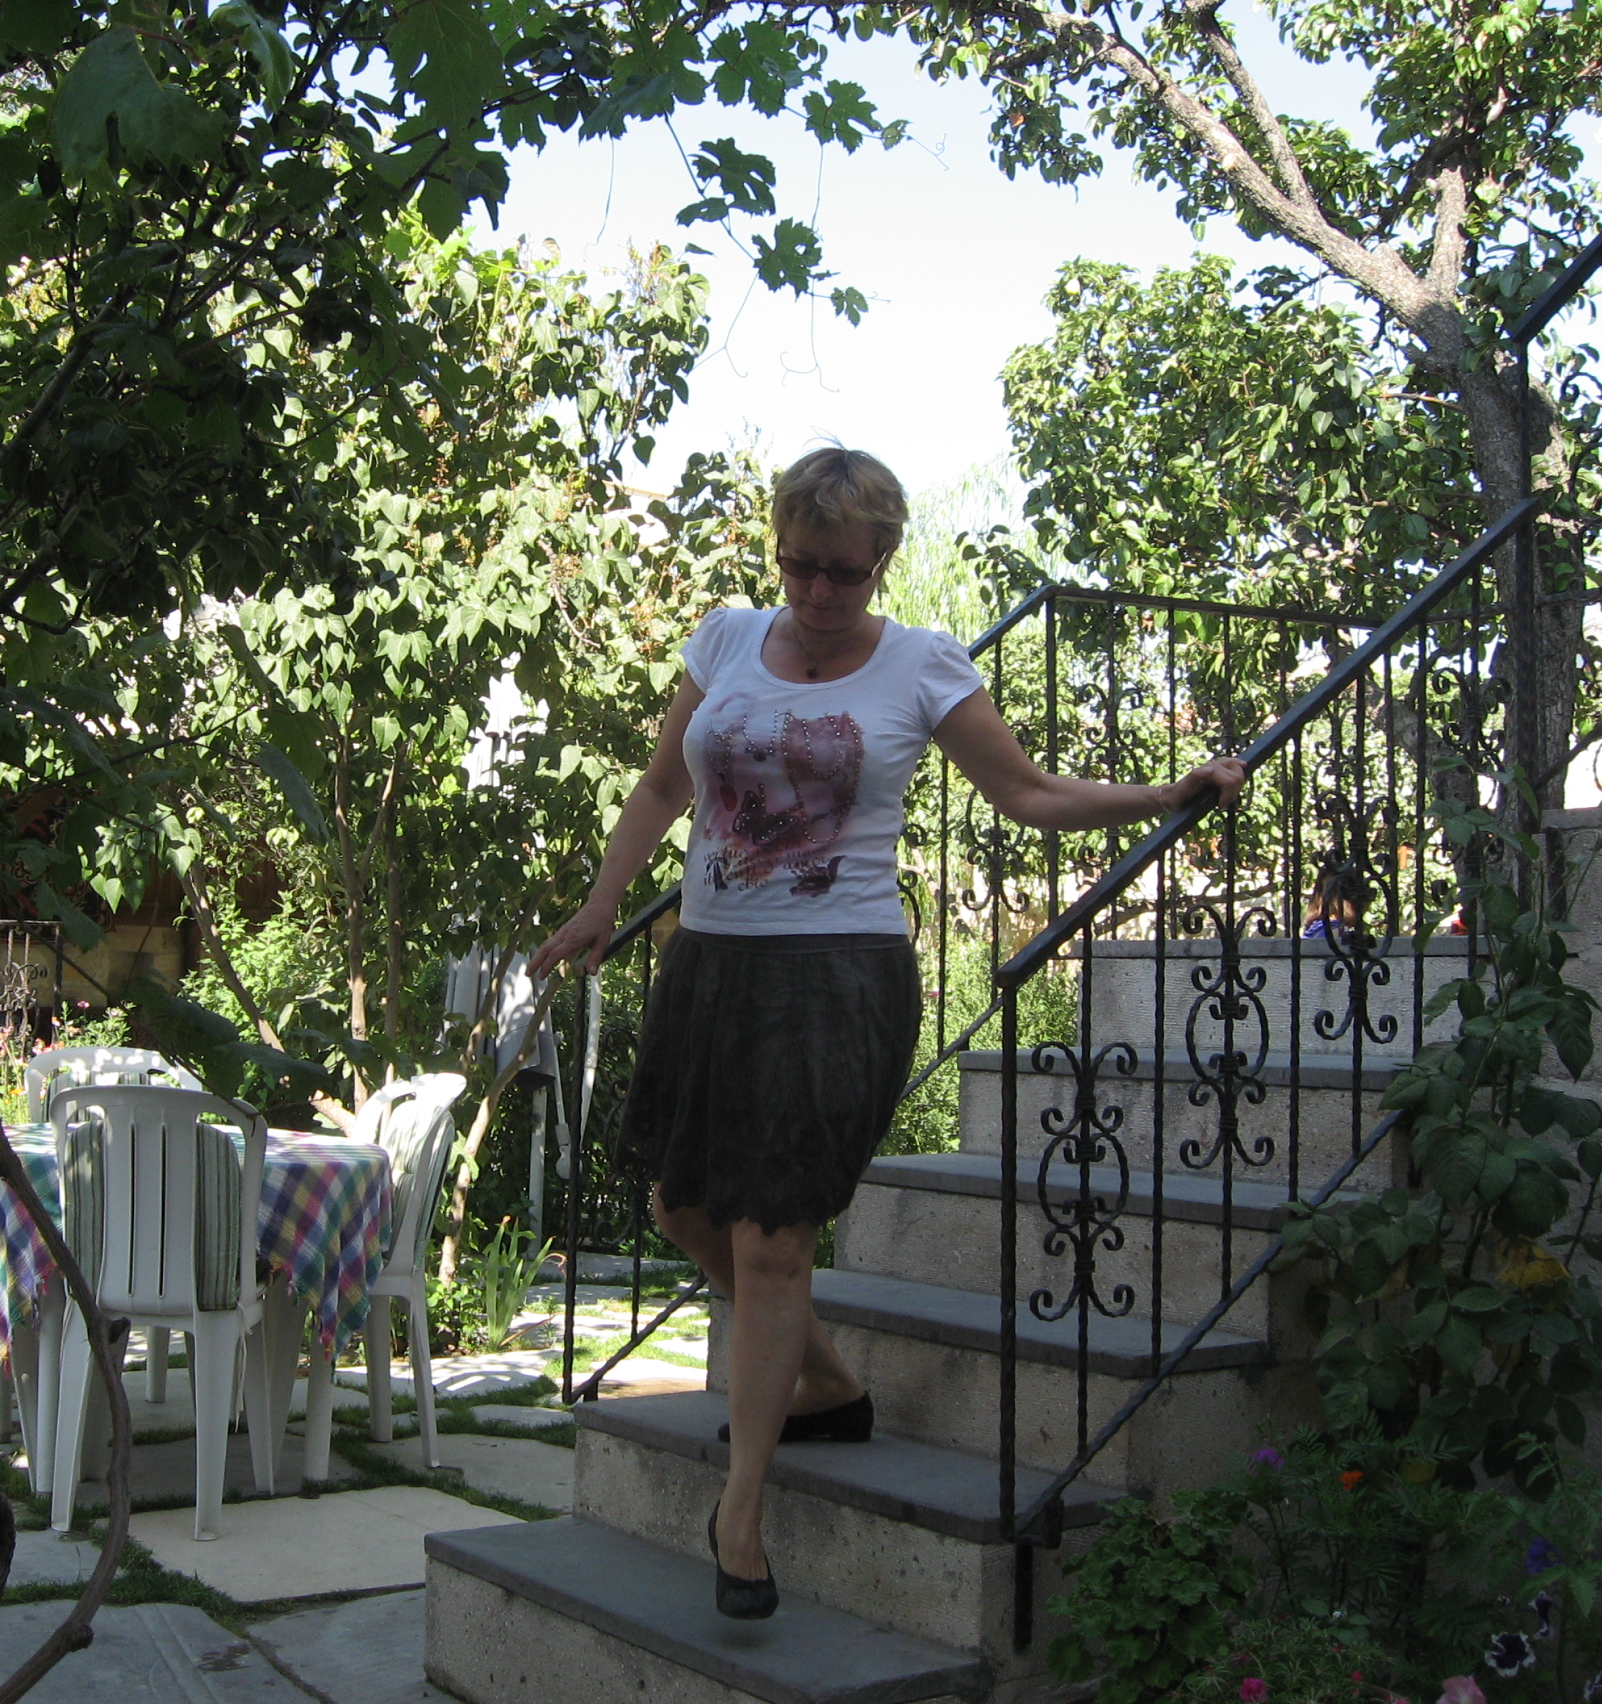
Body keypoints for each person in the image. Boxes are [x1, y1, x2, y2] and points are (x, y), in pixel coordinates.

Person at [529, 447, 1247, 1621]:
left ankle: (742, 1514)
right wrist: (604, 903)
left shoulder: (921, 665)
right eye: (798, 566)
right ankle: (825, 1381)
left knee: (772, 1239)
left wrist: (1161, 796)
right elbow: (662, 789)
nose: (818, 592)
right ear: (778, 553)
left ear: (881, 562)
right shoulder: (722, 642)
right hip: (708, 967)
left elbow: (1025, 793)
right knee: (679, 1207)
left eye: (843, 573)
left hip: (834, 980)